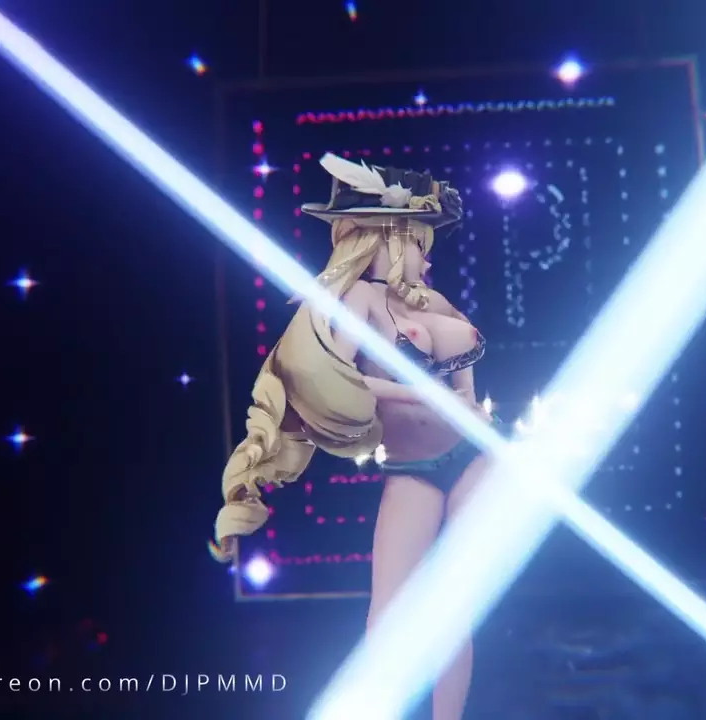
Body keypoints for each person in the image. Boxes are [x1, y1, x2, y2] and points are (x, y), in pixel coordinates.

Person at [209, 153, 502, 720]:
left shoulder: (434, 301)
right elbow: (339, 375)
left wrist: (465, 405)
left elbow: (465, 378)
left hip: (472, 458)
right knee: (387, 612)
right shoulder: (360, 300)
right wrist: (416, 393)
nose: (425, 255)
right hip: (411, 469)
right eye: (416, 241)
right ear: (385, 238)